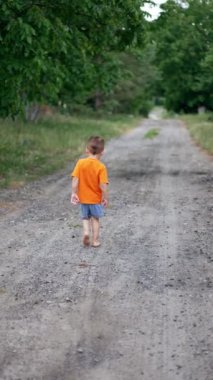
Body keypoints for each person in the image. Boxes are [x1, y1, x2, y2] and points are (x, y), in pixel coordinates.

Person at [71, 136, 109, 247]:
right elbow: (103, 185)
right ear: (102, 152)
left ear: (87, 150)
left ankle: (86, 232)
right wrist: (105, 197)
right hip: (95, 199)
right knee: (95, 219)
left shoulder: (80, 163)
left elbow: (75, 179)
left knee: (85, 217)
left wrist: (74, 193)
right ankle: (95, 241)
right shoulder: (101, 167)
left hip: (83, 198)